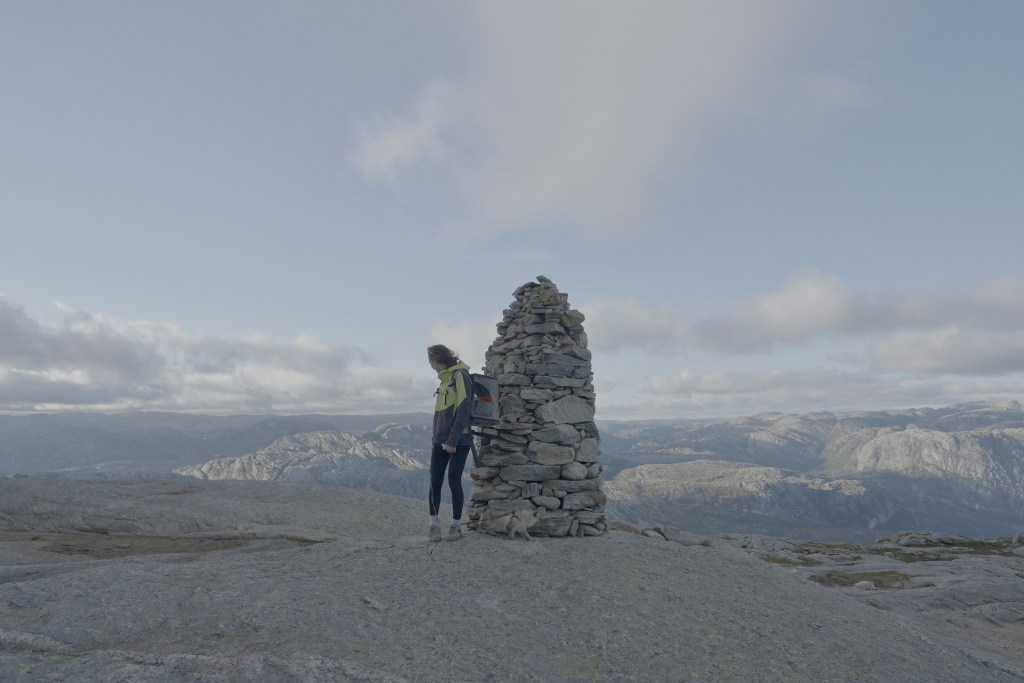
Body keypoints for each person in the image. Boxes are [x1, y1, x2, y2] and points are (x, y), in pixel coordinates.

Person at [426, 344, 474, 542]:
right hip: (440, 441)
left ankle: (456, 526)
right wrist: (437, 438)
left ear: (437, 359)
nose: (429, 363)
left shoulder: (460, 376)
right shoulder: (445, 380)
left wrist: (453, 439)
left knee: (454, 482)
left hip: (458, 441)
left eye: (430, 359)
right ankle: (434, 526)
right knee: (435, 482)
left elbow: (464, 408)